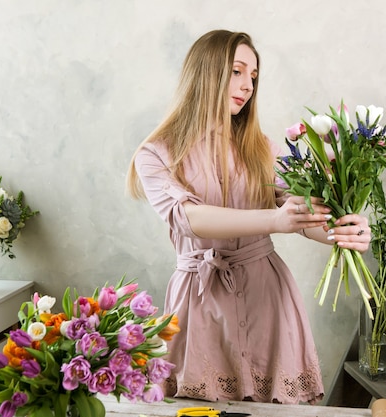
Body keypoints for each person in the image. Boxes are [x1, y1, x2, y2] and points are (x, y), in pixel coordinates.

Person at [126, 29, 371, 405]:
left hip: (267, 299)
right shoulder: (156, 154)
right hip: (198, 303)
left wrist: (343, 232)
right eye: (237, 72)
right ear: (206, 72)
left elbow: (302, 212)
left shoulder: (262, 149)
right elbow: (188, 217)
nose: (247, 86)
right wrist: (274, 221)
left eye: (253, 77)